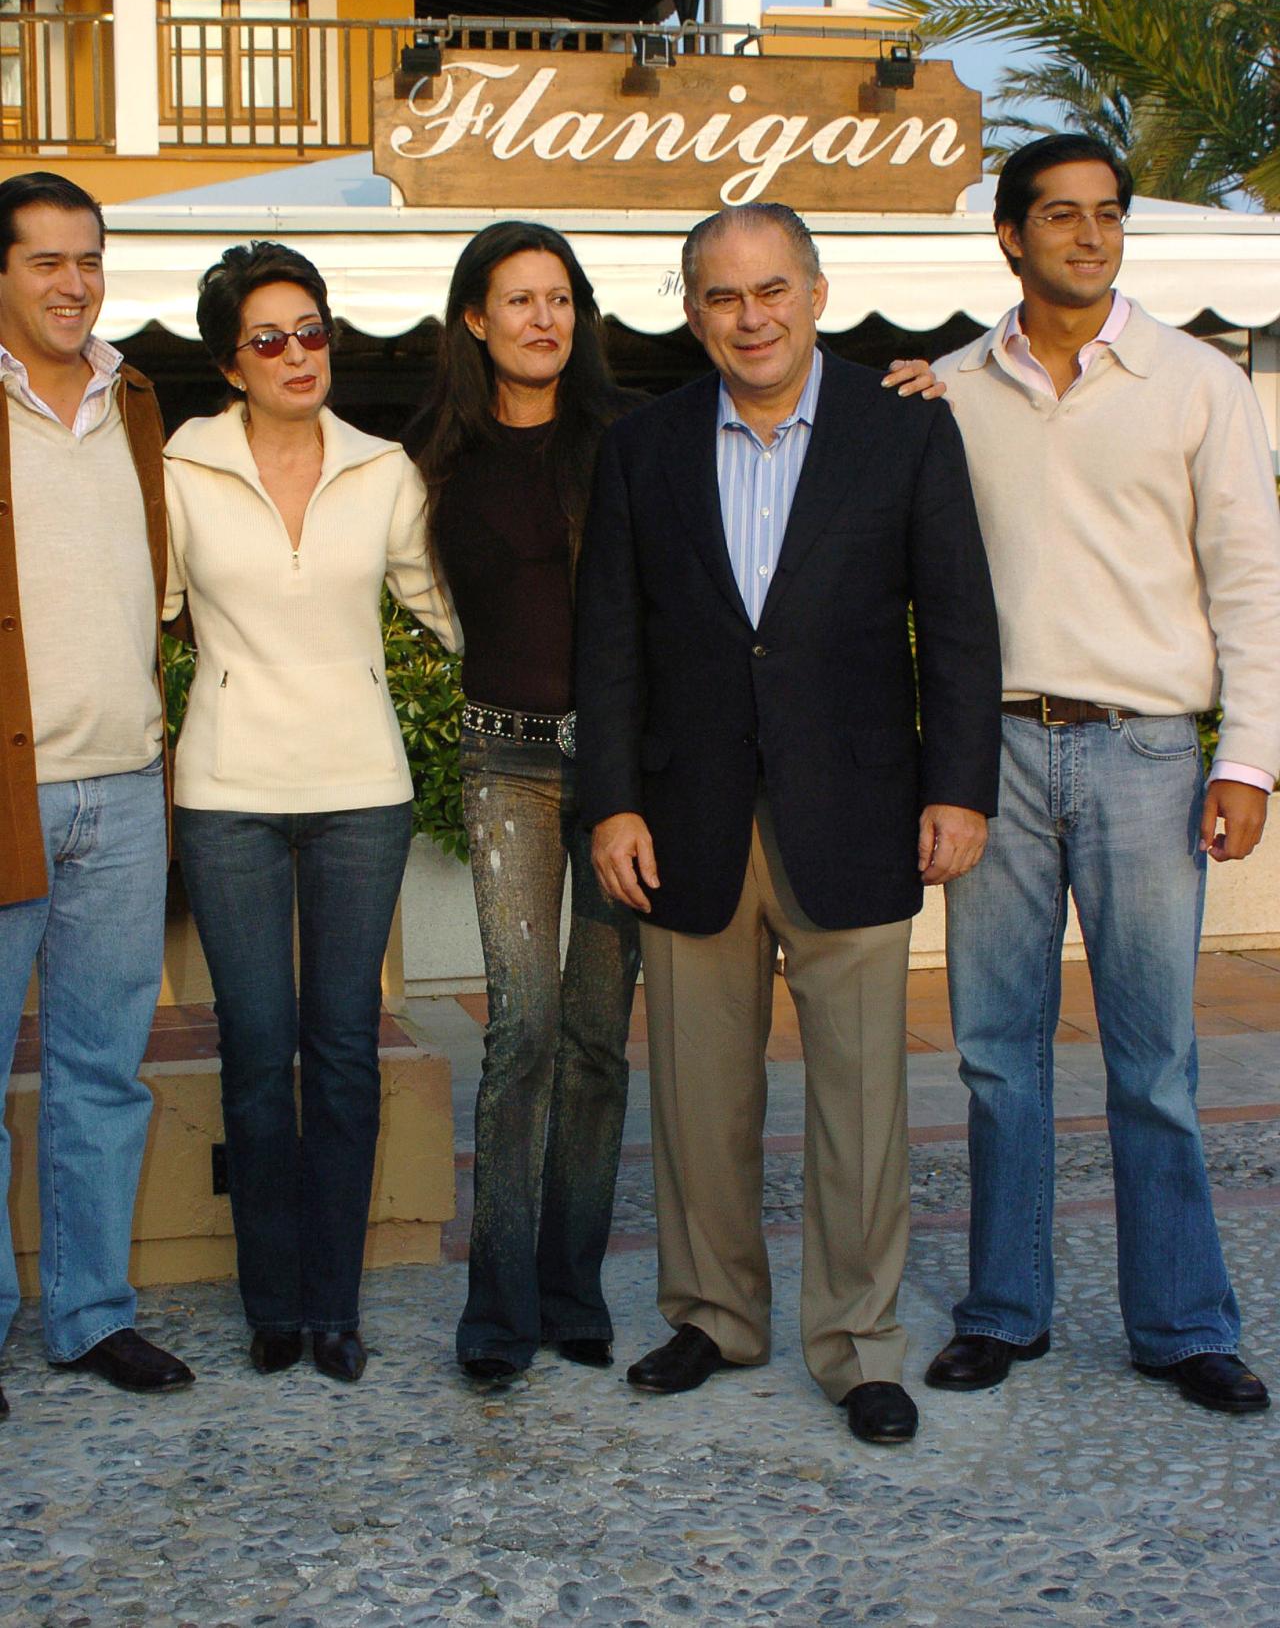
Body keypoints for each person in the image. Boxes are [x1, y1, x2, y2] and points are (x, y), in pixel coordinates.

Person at [574, 201, 1002, 1445]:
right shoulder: (642, 447)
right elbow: (611, 644)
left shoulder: (904, 432)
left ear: (815, 293)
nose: (748, 316)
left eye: (770, 290)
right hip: (685, 820)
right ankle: (712, 1312)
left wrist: (957, 786)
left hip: (859, 812)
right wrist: (611, 801)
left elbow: (957, 620)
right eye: (721, 295)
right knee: (697, 1096)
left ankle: (858, 1343)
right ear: (691, 308)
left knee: (859, 1101)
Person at [925, 133, 1280, 1416]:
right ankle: (1003, 1309)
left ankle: (1182, 1322)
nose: (1087, 235)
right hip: (996, 751)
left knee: (1155, 1062)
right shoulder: (951, 388)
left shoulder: (1192, 380)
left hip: (1143, 751)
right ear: (1007, 236)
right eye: (1058, 216)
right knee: (994, 1054)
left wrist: (1245, 755)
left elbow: (1251, 579)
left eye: (1105, 215)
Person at [163, 241, 458, 1383]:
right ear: (231, 364)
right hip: (227, 790)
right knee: (252, 1047)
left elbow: (448, 602)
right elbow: (147, 605)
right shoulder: (181, 469)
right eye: (269, 338)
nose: (298, 354)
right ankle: (269, 1304)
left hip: (359, 794)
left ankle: (333, 1305)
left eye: (312, 330)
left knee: (340, 1050)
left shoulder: (382, 468)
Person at [406, 221, 642, 1384]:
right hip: (502, 759)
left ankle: (571, 1288)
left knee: (598, 1039)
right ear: (473, 319)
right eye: (517, 300)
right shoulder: (433, 455)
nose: (542, 318)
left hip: (614, 773)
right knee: (524, 1029)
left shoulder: (628, 442)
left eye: (560, 298)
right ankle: (495, 1308)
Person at [0, 171, 193, 1415]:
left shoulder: (135, 399)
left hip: (123, 790)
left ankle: (86, 1313)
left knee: (100, 1071)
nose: (74, 283)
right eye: (45, 262)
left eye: (89, 259)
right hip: (8, 791)